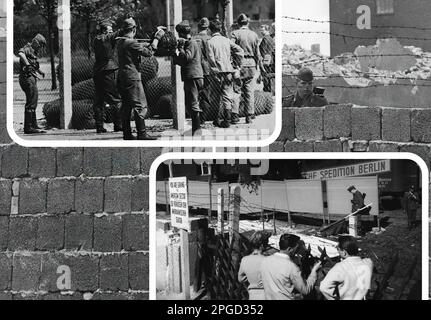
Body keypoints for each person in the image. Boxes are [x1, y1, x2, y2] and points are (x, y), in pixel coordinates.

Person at [116, 18, 164, 140]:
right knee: (140, 106)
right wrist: (157, 38)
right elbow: (149, 52)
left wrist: (149, 40)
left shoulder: (121, 42)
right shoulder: (131, 43)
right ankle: (142, 134)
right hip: (132, 77)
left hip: (122, 77)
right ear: (134, 29)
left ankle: (127, 134)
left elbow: (138, 46)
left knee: (126, 105)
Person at [206, 19, 244, 128]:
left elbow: (211, 59)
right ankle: (227, 120)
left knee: (215, 96)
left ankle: (216, 119)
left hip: (216, 72)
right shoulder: (226, 40)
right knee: (228, 95)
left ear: (210, 30)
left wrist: (215, 71)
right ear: (220, 29)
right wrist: (237, 65)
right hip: (228, 71)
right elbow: (240, 51)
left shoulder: (210, 42)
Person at [260, 234, 321, 300]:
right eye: (296, 248)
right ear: (289, 249)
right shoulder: (291, 267)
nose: (297, 251)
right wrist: (314, 271)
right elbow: (305, 290)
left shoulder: (265, 261)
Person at [231, 14, 263, 124]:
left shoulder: (235, 34)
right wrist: (259, 67)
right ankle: (249, 115)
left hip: (239, 64)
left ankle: (234, 115)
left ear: (238, 23)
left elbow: (231, 48)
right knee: (249, 91)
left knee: (236, 90)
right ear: (247, 22)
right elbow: (257, 53)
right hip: (251, 64)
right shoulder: (254, 35)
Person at [173, 20, 204, 135]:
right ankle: (196, 128)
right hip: (191, 76)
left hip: (193, 76)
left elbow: (187, 58)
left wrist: (180, 48)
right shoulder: (189, 43)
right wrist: (174, 56)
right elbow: (183, 61)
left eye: (179, 34)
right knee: (190, 103)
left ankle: (197, 130)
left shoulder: (191, 43)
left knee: (193, 103)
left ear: (182, 33)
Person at [92, 20, 123, 134]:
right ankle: (118, 125)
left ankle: (99, 126)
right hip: (109, 70)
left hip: (98, 70)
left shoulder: (96, 39)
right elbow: (121, 31)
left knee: (99, 100)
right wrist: (129, 22)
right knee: (115, 99)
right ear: (105, 30)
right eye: (110, 30)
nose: (112, 32)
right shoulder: (107, 38)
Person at [320, 236, 373, 300]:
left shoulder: (340, 267)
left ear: (344, 252)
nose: (338, 252)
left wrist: (335, 297)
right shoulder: (368, 263)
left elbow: (323, 287)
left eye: (338, 249)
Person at [18, 33, 47, 134]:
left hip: (31, 78)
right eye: (40, 45)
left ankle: (33, 125)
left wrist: (40, 72)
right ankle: (28, 127)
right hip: (27, 79)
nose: (40, 47)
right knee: (31, 102)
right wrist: (27, 63)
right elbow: (21, 53)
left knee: (33, 100)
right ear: (35, 42)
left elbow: (34, 65)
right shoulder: (28, 48)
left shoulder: (33, 51)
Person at [238, 231, 270, 300]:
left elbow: (240, 279)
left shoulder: (245, 260)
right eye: (267, 244)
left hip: (252, 295)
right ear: (262, 245)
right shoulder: (268, 260)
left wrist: (251, 277)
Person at [193, 18, 211, 117]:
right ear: (207, 28)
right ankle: (203, 117)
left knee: (195, 94)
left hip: (195, 69)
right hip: (206, 69)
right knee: (205, 93)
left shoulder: (193, 38)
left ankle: (195, 117)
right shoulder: (209, 38)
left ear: (199, 27)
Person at [259, 24, 275, 93]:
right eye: (260, 30)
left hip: (266, 61)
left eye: (262, 30)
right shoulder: (271, 38)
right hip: (270, 60)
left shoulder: (265, 39)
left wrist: (261, 61)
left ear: (267, 30)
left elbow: (263, 51)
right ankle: (269, 91)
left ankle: (267, 92)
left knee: (265, 77)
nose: (261, 32)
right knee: (269, 77)